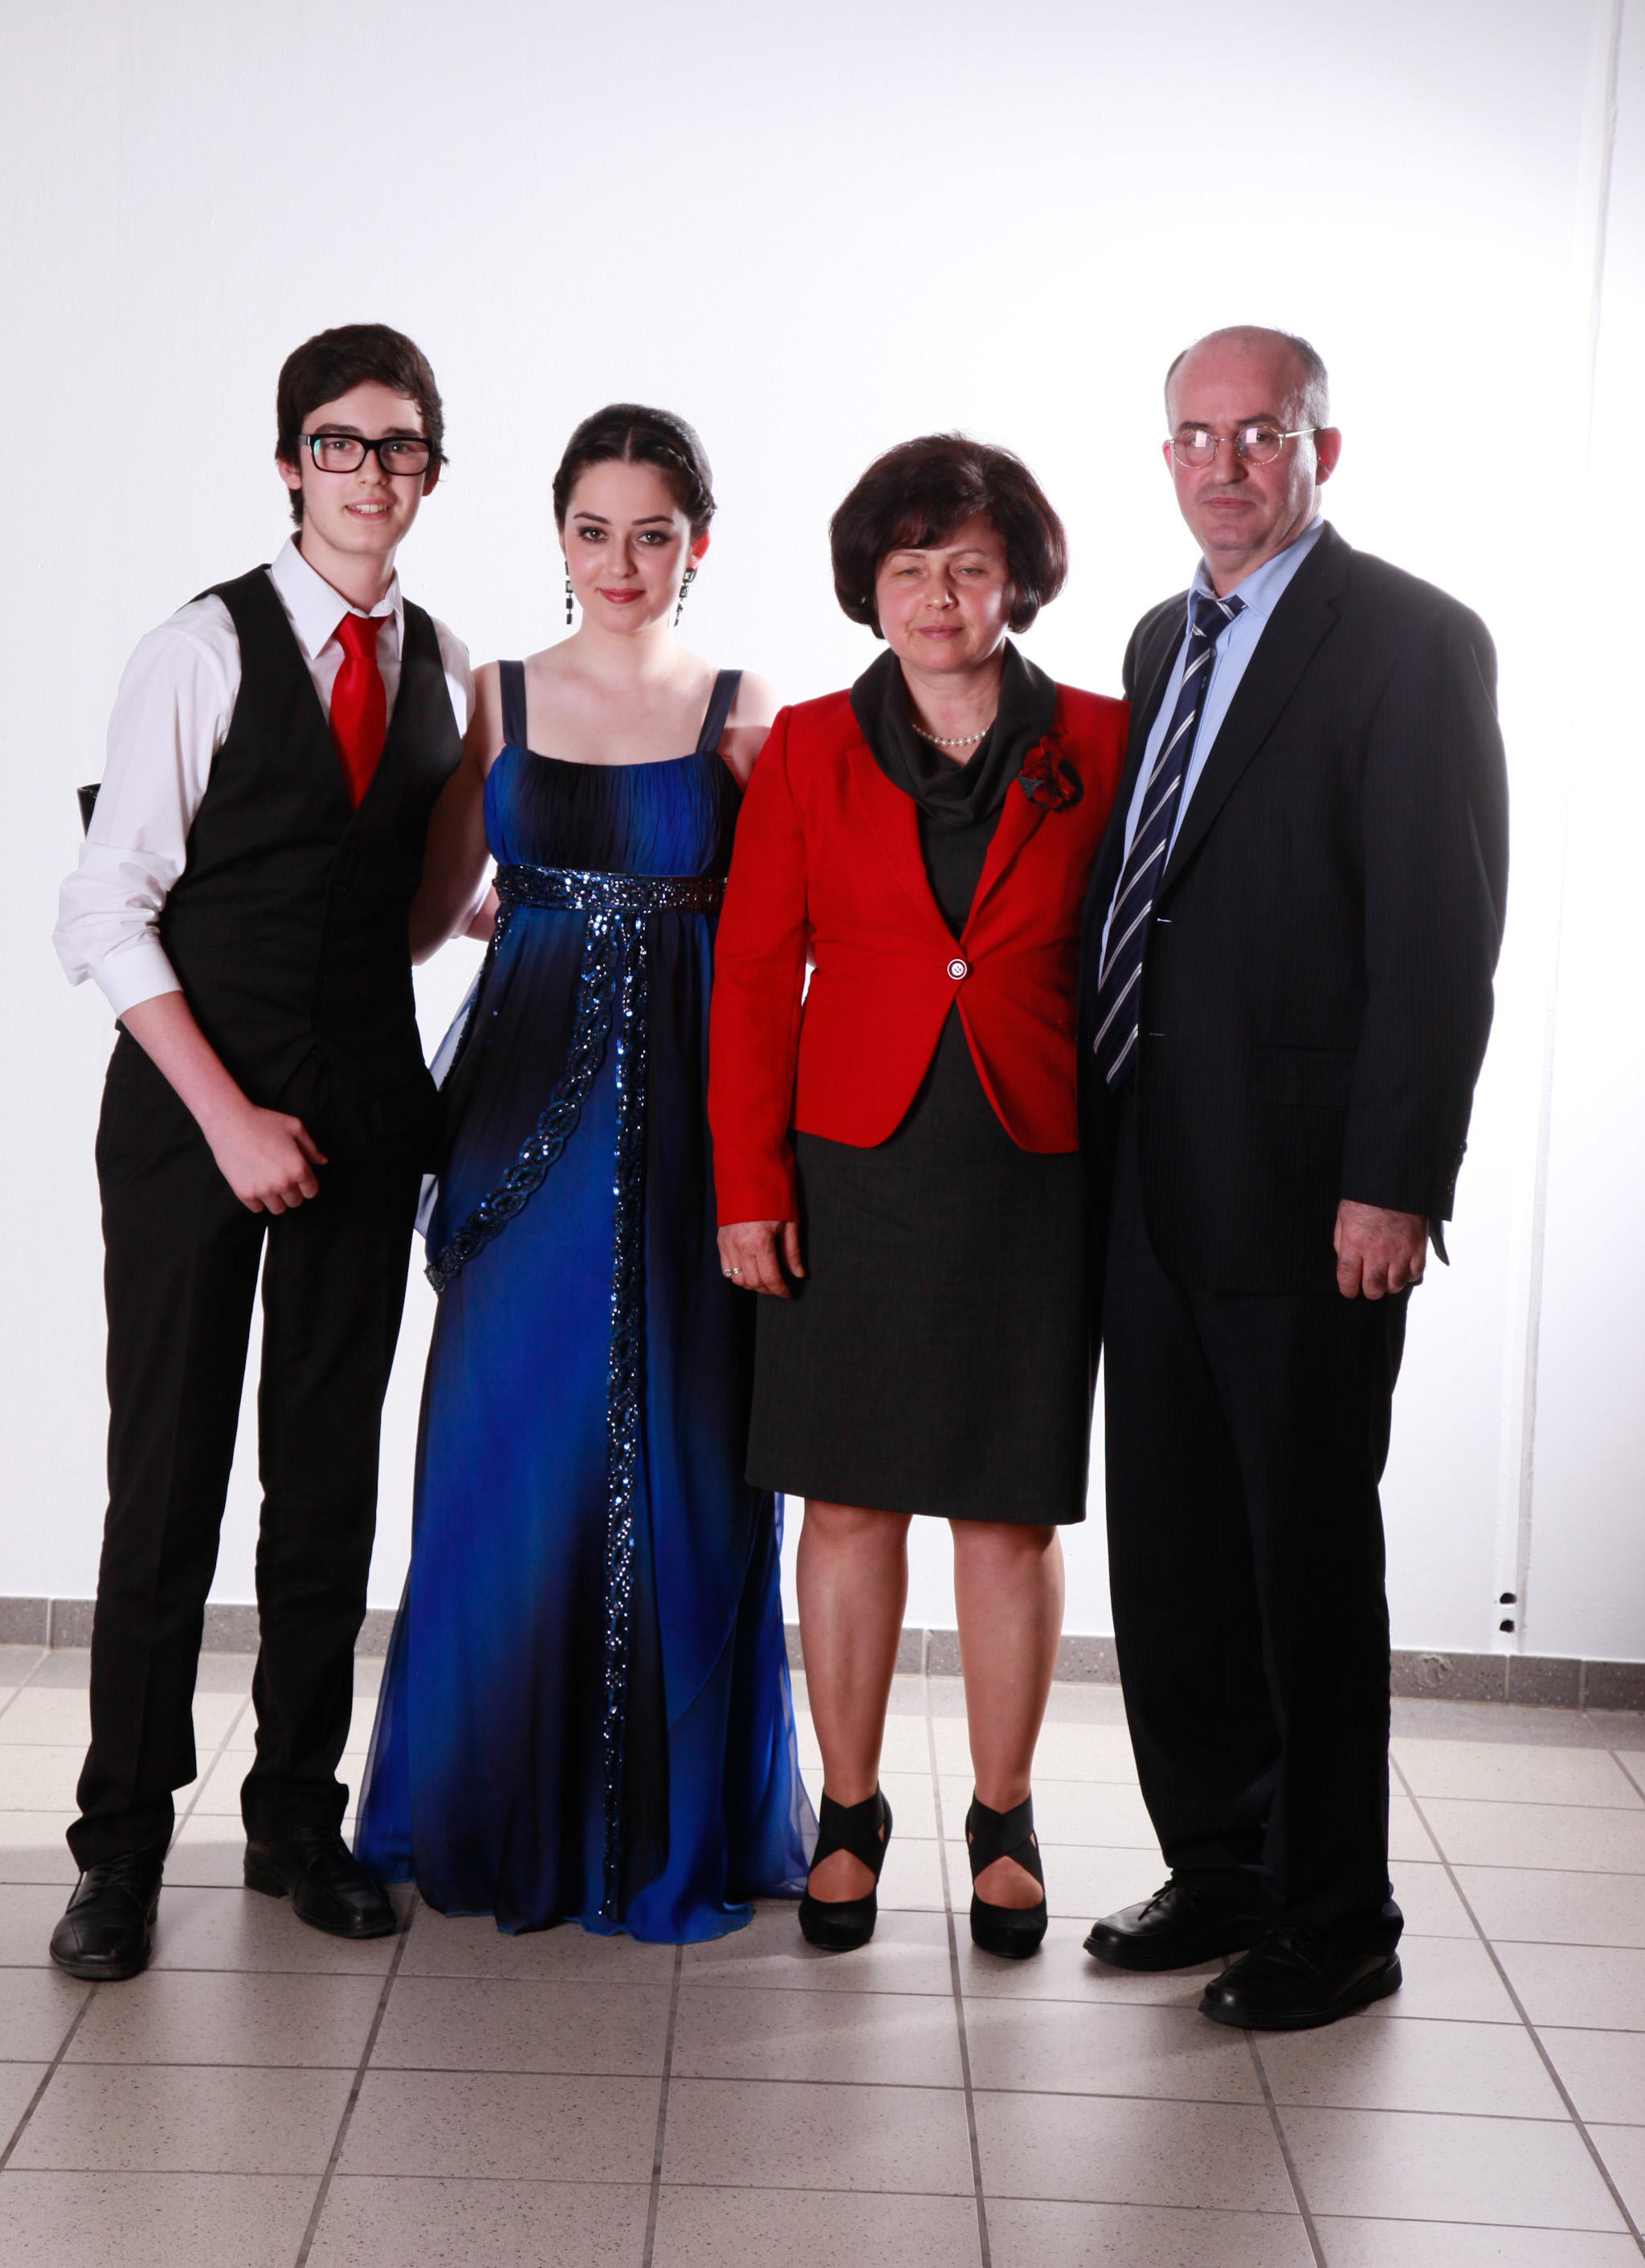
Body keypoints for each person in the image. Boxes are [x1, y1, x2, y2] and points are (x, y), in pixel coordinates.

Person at [1078, 326, 1508, 2029]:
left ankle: (1337, 1916)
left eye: (1260, 434)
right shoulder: (1156, 636)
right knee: (1175, 1556)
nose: (1225, 466)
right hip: (1149, 1177)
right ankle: (1223, 1867)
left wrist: (1394, 1180)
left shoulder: (1410, 640)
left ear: (1323, 448)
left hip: (1312, 1196)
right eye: (1195, 437)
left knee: (1305, 1564)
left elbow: (1439, 938)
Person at [355, 405, 812, 1943]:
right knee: (506, 1450)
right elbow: (424, 915)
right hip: (518, 1115)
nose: (622, 562)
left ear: (699, 544)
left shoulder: (745, 711)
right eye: (595, 531)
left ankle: (660, 1825)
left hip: (688, 1123)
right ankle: (495, 1805)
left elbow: (792, 932)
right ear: (559, 536)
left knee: (686, 1449)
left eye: (653, 533)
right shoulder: (495, 696)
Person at [49, 324, 471, 1980]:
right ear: (292, 463)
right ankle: (121, 1846)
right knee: (165, 1485)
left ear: (430, 471)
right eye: (340, 443)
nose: (372, 473)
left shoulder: (442, 661)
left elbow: (401, 911)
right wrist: (227, 1118)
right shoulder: (199, 648)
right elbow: (105, 908)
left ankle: (297, 1815)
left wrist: (478, 916)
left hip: (363, 1118)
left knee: (323, 1486)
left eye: (402, 446)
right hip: (188, 1120)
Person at [708, 435, 1128, 1956]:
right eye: (908, 568)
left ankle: (1005, 1817)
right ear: (868, 588)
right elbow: (753, 974)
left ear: (1018, 579)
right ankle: (850, 1811)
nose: (938, 596)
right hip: (852, 1167)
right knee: (846, 1499)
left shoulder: (1107, 737)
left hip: (1035, 1164)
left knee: (1008, 1513)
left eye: (968, 566)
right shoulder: (808, 747)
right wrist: (747, 1185)